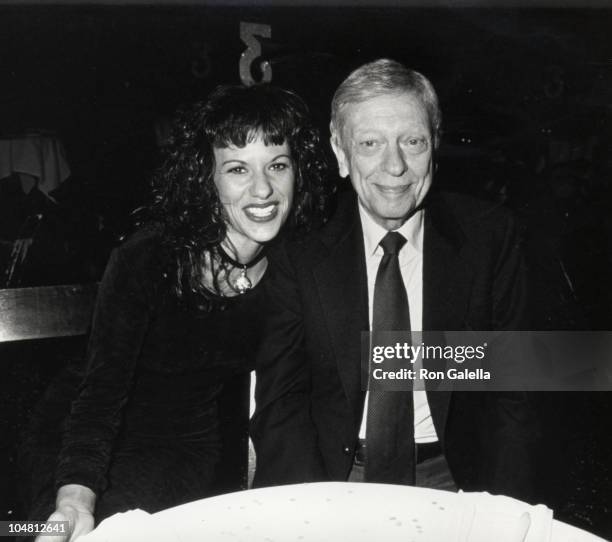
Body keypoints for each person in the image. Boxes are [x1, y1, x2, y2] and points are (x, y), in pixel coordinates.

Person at [29, 83, 332, 542]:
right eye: (237, 169)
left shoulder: (296, 267)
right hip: (79, 444)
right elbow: (99, 396)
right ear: (205, 178)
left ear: (298, 172)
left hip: (181, 449)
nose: (263, 188)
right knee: (33, 532)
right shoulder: (148, 257)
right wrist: (74, 499)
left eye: (278, 165)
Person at [251, 59, 536, 499]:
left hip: (455, 478)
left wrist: (501, 507)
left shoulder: (489, 237)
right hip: (334, 477)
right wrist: (310, 507)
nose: (396, 166)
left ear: (435, 145)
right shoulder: (299, 249)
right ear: (341, 154)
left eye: (413, 141)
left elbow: (515, 392)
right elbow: (281, 404)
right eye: (370, 143)